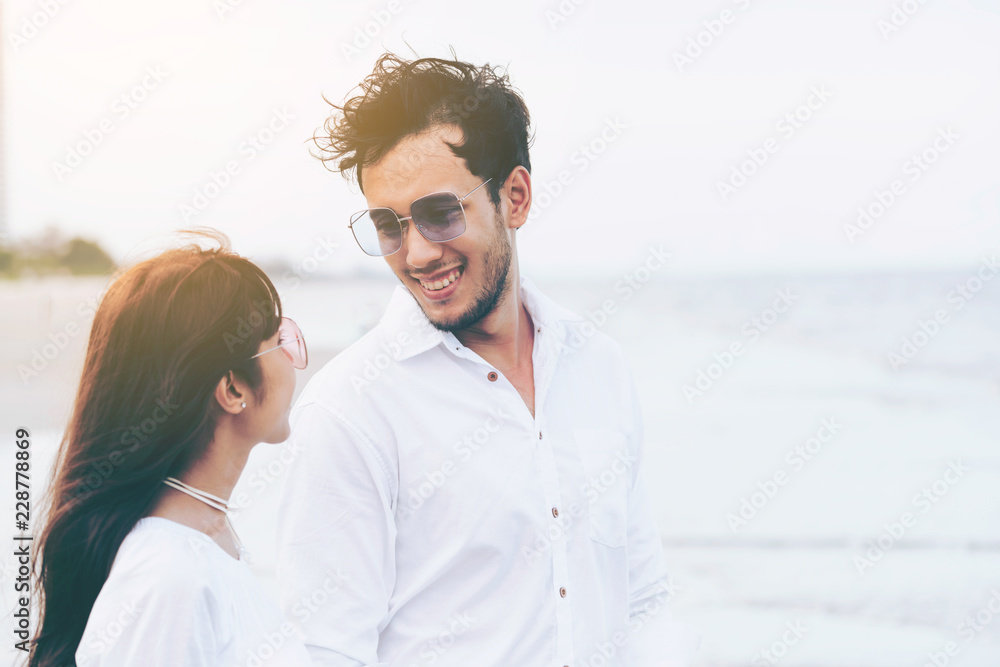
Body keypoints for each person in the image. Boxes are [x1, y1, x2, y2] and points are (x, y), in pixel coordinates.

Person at [276, 53, 698, 666]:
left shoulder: (598, 365)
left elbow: (642, 598)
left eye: (440, 214)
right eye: (388, 226)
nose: (417, 253)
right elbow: (327, 651)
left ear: (515, 197)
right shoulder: (349, 411)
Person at [28, 231, 313, 667]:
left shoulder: (203, 542)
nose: (294, 360)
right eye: (280, 341)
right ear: (233, 388)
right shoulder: (168, 576)